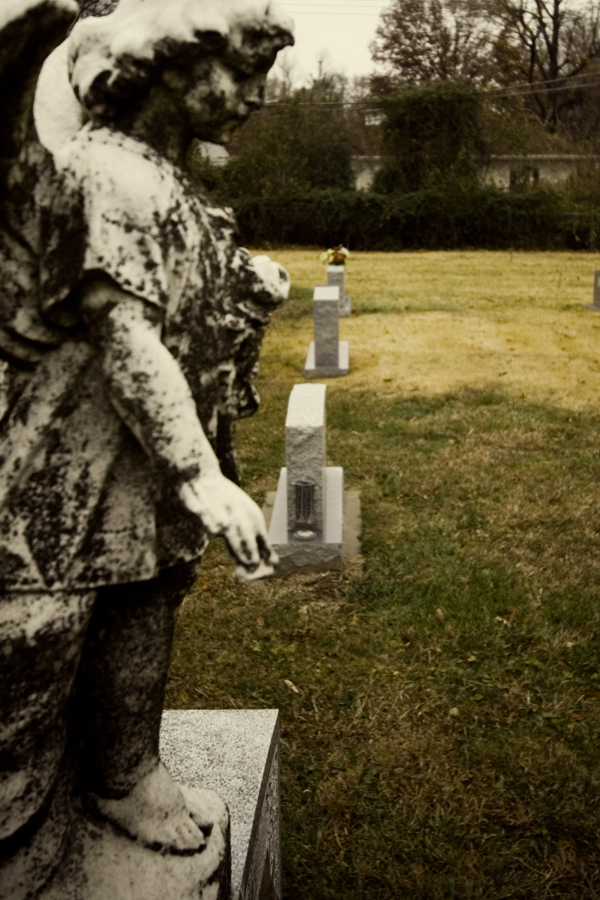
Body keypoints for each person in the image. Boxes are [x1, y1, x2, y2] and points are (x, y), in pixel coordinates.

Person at [0, 0, 293, 893]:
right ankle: (18, 827)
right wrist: (198, 474)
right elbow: (125, 337)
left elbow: (186, 301)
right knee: (41, 636)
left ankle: (125, 778)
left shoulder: (167, 182)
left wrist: (243, 283)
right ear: (167, 62)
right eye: (241, 74)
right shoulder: (103, 171)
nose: (255, 97)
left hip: (141, 474)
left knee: (147, 603)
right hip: (71, 472)